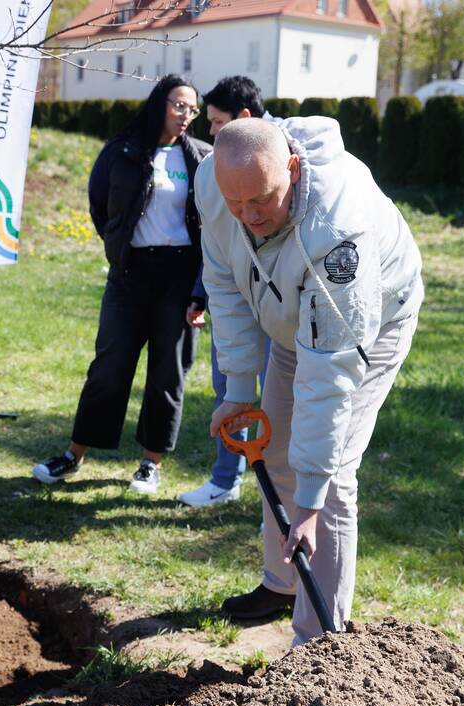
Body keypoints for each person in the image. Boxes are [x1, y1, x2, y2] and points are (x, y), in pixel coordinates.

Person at [198, 118, 423, 643]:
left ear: (293, 170)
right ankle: (282, 583)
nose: (249, 217)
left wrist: (310, 503)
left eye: (261, 201)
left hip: (367, 324)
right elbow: (226, 284)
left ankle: (319, 644)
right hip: (290, 317)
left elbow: (329, 374)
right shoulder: (217, 182)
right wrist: (237, 390)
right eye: (237, 205)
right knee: (274, 449)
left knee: (333, 475)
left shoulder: (339, 231)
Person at [31, 75, 212, 493]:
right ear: (159, 103)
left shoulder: (202, 158)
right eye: (179, 105)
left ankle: (151, 464)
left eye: (193, 109)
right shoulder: (122, 149)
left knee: (168, 374)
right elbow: (99, 206)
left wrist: (200, 291)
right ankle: (74, 455)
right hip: (130, 274)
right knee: (109, 367)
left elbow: (213, 227)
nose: (187, 115)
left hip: (180, 275)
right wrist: (119, 244)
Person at [179, 75, 268, 508]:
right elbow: (216, 249)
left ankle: (278, 500)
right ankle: (224, 480)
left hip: (281, 316)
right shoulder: (214, 175)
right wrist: (201, 293)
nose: (209, 133)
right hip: (233, 304)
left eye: (216, 123)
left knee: (278, 404)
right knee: (231, 394)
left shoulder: (277, 174)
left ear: (244, 119)